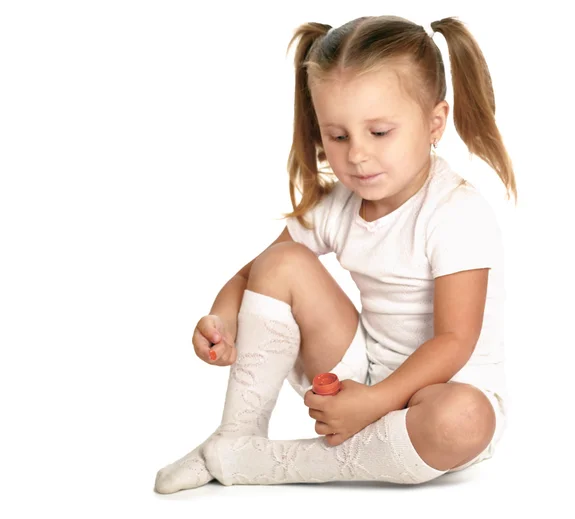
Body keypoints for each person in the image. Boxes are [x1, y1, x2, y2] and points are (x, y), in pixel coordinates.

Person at [154, 14, 517, 492]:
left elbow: (455, 342)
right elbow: (254, 273)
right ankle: (236, 436)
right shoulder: (340, 204)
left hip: (437, 397)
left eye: (380, 132)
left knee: (464, 418)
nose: (357, 155)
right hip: (358, 376)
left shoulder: (455, 212)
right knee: (282, 263)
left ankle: (268, 462)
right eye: (338, 136)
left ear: (435, 122)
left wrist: (378, 402)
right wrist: (222, 316)